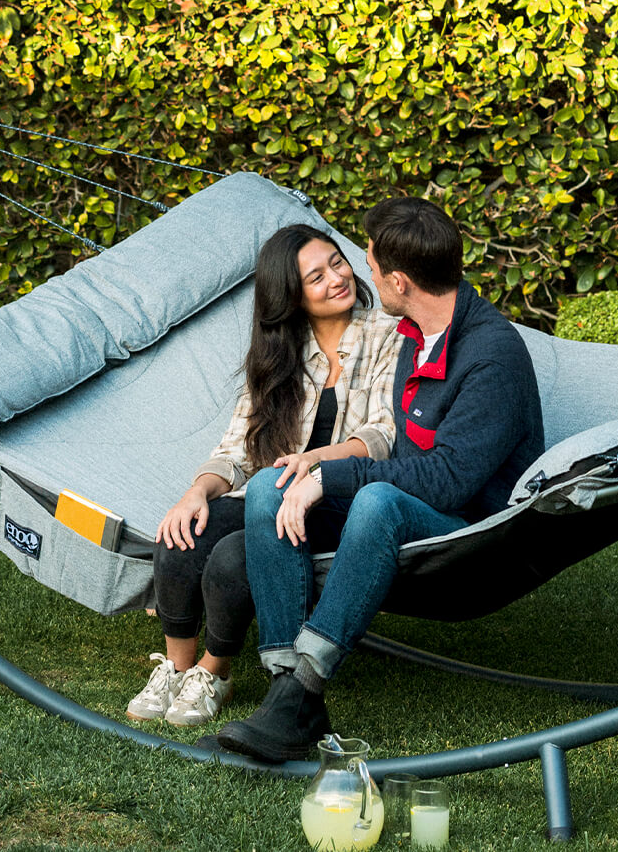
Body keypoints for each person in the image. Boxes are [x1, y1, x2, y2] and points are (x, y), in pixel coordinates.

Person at [214, 197, 545, 761]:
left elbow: (448, 482)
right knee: (273, 486)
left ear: (399, 280)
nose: (361, 275)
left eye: (367, 266)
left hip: (470, 528)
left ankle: (306, 686)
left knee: (376, 501)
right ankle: (286, 692)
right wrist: (312, 471)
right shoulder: (414, 334)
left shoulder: (492, 355)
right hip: (406, 496)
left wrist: (333, 476)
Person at [127, 223, 401, 727]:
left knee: (233, 557)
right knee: (180, 536)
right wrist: (196, 492)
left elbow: (384, 434)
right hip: (267, 494)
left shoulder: (387, 333)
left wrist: (316, 461)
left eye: (337, 263)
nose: (336, 279)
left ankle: (215, 671)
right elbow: (236, 450)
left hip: (337, 501)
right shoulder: (279, 354)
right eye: (315, 277)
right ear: (291, 297)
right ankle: (177, 668)